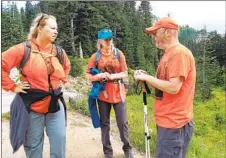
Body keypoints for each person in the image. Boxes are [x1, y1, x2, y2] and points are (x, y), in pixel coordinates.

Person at [2, 13, 71, 158]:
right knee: (33, 146)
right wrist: (13, 86)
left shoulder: (59, 52)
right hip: (32, 106)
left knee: (60, 139)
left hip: (55, 104)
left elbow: (66, 67)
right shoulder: (23, 49)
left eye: (57, 29)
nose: (56, 31)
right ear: (40, 28)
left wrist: (62, 82)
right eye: (52, 28)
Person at [134, 17, 196, 158]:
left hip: (174, 124)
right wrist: (148, 78)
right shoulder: (169, 54)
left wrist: (147, 78)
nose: (153, 37)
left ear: (168, 32)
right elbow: (165, 85)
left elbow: (174, 87)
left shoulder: (179, 53)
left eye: (156, 33)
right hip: (169, 123)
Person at [86, 29, 134, 158]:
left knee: (122, 122)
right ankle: (107, 151)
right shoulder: (95, 57)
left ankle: (127, 148)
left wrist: (112, 76)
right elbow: (88, 74)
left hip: (119, 92)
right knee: (105, 123)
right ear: (100, 41)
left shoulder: (119, 54)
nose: (109, 41)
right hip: (103, 93)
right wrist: (100, 76)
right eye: (106, 39)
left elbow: (124, 72)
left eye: (110, 38)